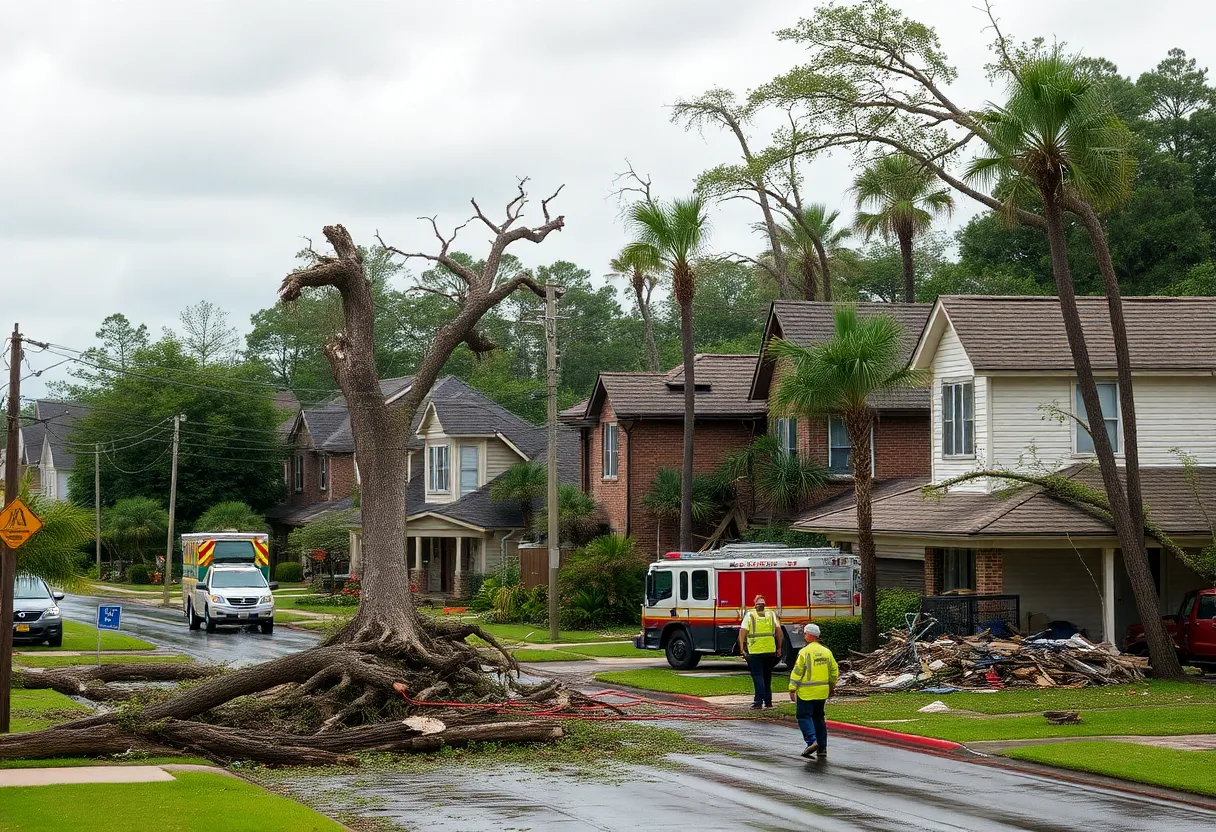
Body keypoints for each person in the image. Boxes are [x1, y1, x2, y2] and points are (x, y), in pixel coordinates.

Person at [788, 623, 839, 758]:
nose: (804, 636)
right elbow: (834, 671)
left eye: (805, 633)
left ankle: (812, 741)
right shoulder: (826, 652)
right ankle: (822, 748)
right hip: (822, 691)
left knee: (803, 716)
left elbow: (797, 671)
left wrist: (792, 688)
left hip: (806, 692)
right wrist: (832, 686)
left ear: (810, 635)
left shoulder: (804, 652)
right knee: (818, 718)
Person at [738, 594, 783, 709]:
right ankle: (768, 701)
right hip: (770, 651)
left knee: (758, 676)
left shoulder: (750, 615)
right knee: (767, 676)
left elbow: (742, 632)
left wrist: (742, 649)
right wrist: (779, 647)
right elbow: (778, 632)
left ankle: (758, 701)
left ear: (754, 604)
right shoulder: (772, 614)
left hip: (755, 651)